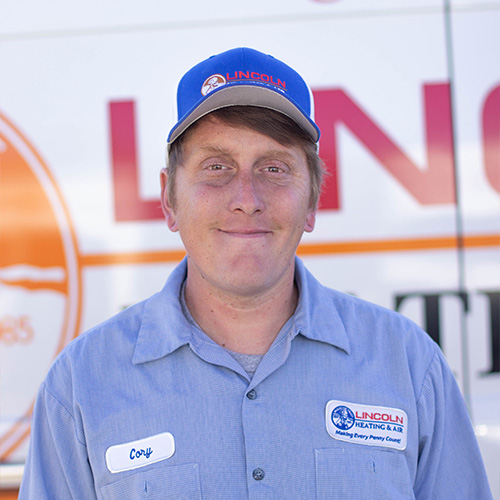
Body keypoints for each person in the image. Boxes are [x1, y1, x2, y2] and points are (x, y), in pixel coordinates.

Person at [19, 47, 492, 499]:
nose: (247, 196)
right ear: (169, 200)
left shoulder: (409, 366)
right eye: (216, 166)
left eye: (274, 168)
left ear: (312, 200)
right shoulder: (82, 384)